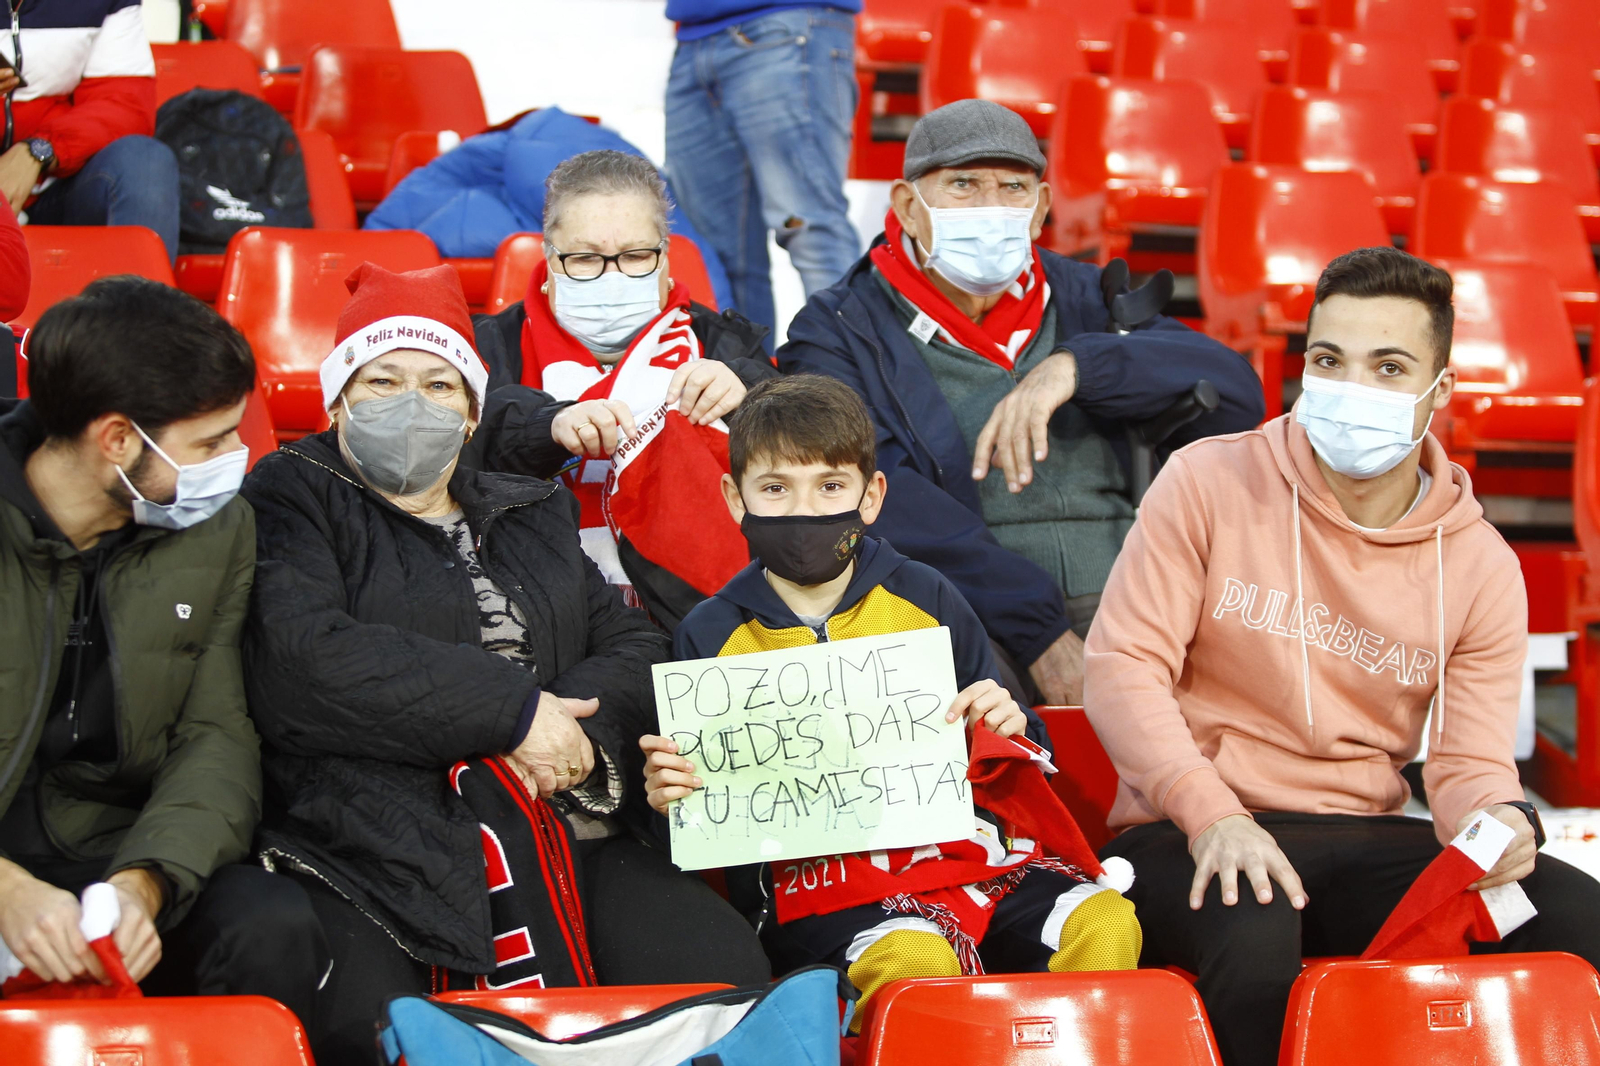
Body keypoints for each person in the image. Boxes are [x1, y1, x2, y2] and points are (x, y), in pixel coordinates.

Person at [242, 262, 769, 1066]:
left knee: (724, 977)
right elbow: (304, 657)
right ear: (338, 399)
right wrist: (517, 714)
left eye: (439, 385)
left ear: (471, 413)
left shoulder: (529, 505)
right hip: (377, 839)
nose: (412, 402)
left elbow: (633, 646)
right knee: (375, 1028)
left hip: (569, 814)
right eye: (382, 381)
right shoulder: (290, 492)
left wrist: (573, 739)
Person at [1083, 247, 1600, 1066]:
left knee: (1577, 917)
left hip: (1365, 834)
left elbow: (1469, 764)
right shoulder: (1207, 480)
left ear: (1440, 390)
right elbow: (1121, 667)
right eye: (1329, 361)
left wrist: (1501, 819)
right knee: (1253, 924)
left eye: (1388, 367)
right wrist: (1213, 813)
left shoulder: (1481, 563)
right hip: (1190, 828)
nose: (1352, 387)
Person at [644, 374, 1141, 1028]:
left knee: (1106, 923)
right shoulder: (708, 632)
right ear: (736, 498)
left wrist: (1006, 725)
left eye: (830, 487)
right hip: (815, 890)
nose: (804, 512)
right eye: (775, 489)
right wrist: (672, 797)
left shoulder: (927, 597)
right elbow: (706, 824)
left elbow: (1023, 757)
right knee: (913, 959)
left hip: (967, 859)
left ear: (871, 495)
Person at [779, 99, 1264, 706]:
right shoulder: (838, 329)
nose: (991, 207)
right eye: (963, 185)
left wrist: (1078, 366)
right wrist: (1040, 633)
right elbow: (880, 499)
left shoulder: (1092, 298)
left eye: (1013, 188)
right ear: (906, 205)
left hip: (1136, 588)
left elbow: (1235, 395)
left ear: (1040, 209)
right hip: (967, 613)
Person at [0, 277, 323, 1016]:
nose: (238, 455)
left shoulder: (218, 528)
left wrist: (147, 882)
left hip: (112, 845)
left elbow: (215, 734)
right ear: (117, 440)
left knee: (269, 926)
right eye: (211, 441)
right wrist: (7, 892)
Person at [473, 149, 778, 630]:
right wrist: (546, 428)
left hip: (699, 618)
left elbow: (807, 448)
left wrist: (752, 394)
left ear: (665, 258)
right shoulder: (484, 349)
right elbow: (456, 454)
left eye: (636, 256)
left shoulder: (728, 346)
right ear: (550, 259)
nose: (612, 277)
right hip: (533, 612)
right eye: (585, 258)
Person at [663, 1, 861, 341]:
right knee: (720, 256)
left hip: (785, 23)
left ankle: (851, 372)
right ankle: (747, 371)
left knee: (810, 230)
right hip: (693, 37)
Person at [1, 0, 180, 263]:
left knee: (145, 162)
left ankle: (137, 290)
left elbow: (123, 102)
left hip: (53, 185)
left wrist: (38, 151)